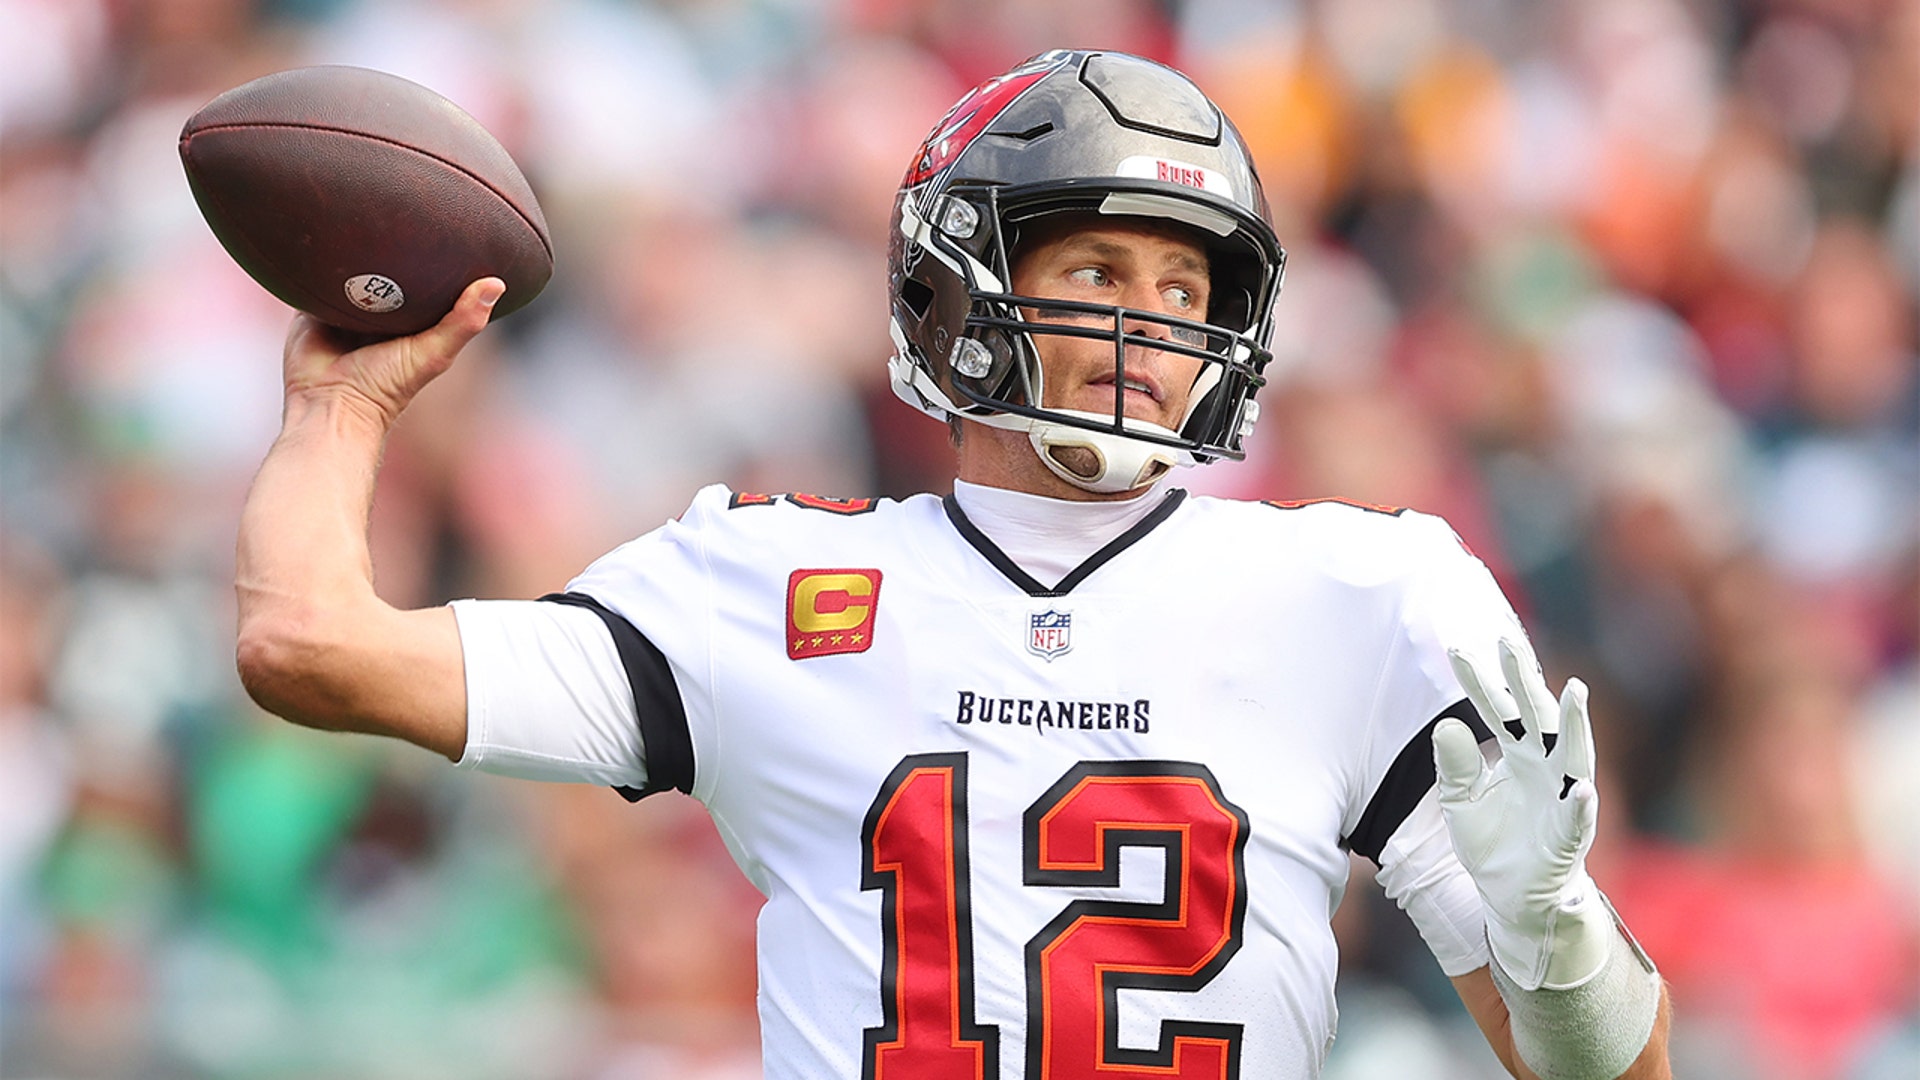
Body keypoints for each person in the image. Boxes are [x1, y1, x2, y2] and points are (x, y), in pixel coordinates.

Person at [235, 49, 1672, 1080]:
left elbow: (1611, 1072)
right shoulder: (759, 586)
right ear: (960, 291)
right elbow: (310, 645)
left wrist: (1549, 931)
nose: (1153, 326)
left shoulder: (1367, 598)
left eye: (1186, 287)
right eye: (1099, 273)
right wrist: (338, 410)